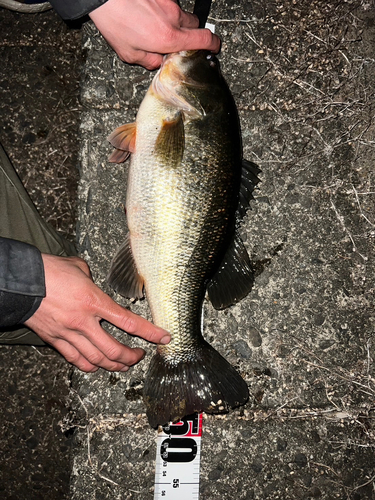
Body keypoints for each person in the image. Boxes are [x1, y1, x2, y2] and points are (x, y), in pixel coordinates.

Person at [0, 0, 220, 372]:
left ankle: (181, 348)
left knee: (64, 281)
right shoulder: (177, 113)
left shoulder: (176, 113)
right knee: (61, 298)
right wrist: (23, 288)